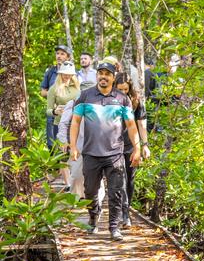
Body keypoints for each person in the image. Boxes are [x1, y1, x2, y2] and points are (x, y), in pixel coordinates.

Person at [69, 62, 141, 241]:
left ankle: (114, 227)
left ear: (113, 77)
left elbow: (131, 125)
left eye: (107, 74)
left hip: (115, 154)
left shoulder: (122, 99)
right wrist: (73, 146)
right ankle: (94, 217)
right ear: (97, 76)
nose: (103, 76)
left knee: (116, 191)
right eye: (100, 73)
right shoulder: (85, 96)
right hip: (91, 153)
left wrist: (137, 148)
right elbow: (76, 122)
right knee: (90, 191)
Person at [57, 81, 105, 203]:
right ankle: (76, 199)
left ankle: (96, 201)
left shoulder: (101, 104)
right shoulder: (73, 104)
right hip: (77, 144)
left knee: (96, 174)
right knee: (77, 174)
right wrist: (63, 141)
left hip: (96, 144)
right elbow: (63, 124)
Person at [114, 72, 151, 229]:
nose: (123, 93)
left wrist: (145, 145)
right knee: (118, 180)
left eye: (126, 90)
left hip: (131, 145)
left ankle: (126, 211)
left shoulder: (135, 101)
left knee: (129, 180)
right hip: (113, 145)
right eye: (120, 90)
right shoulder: (108, 101)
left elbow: (141, 124)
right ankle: (121, 214)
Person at [47, 61, 81, 187]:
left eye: (69, 74)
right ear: (60, 74)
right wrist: (56, 111)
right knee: (63, 153)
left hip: (76, 124)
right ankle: (68, 184)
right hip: (59, 125)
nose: (67, 76)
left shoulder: (77, 88)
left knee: (76, 151)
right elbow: (48, 110)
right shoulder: (53, 89)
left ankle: (76, 182)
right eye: (64, 74)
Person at [41, 44, 72, 150]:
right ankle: (53, 166)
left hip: (68, 112)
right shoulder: (50, 71)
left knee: (67, 141)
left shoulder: (73, 73)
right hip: (53, 111)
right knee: (51, 142)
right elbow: (43, 92)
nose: (59, 56)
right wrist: (54, 94)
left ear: (68, 57)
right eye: (57, 53)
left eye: (62, 54)